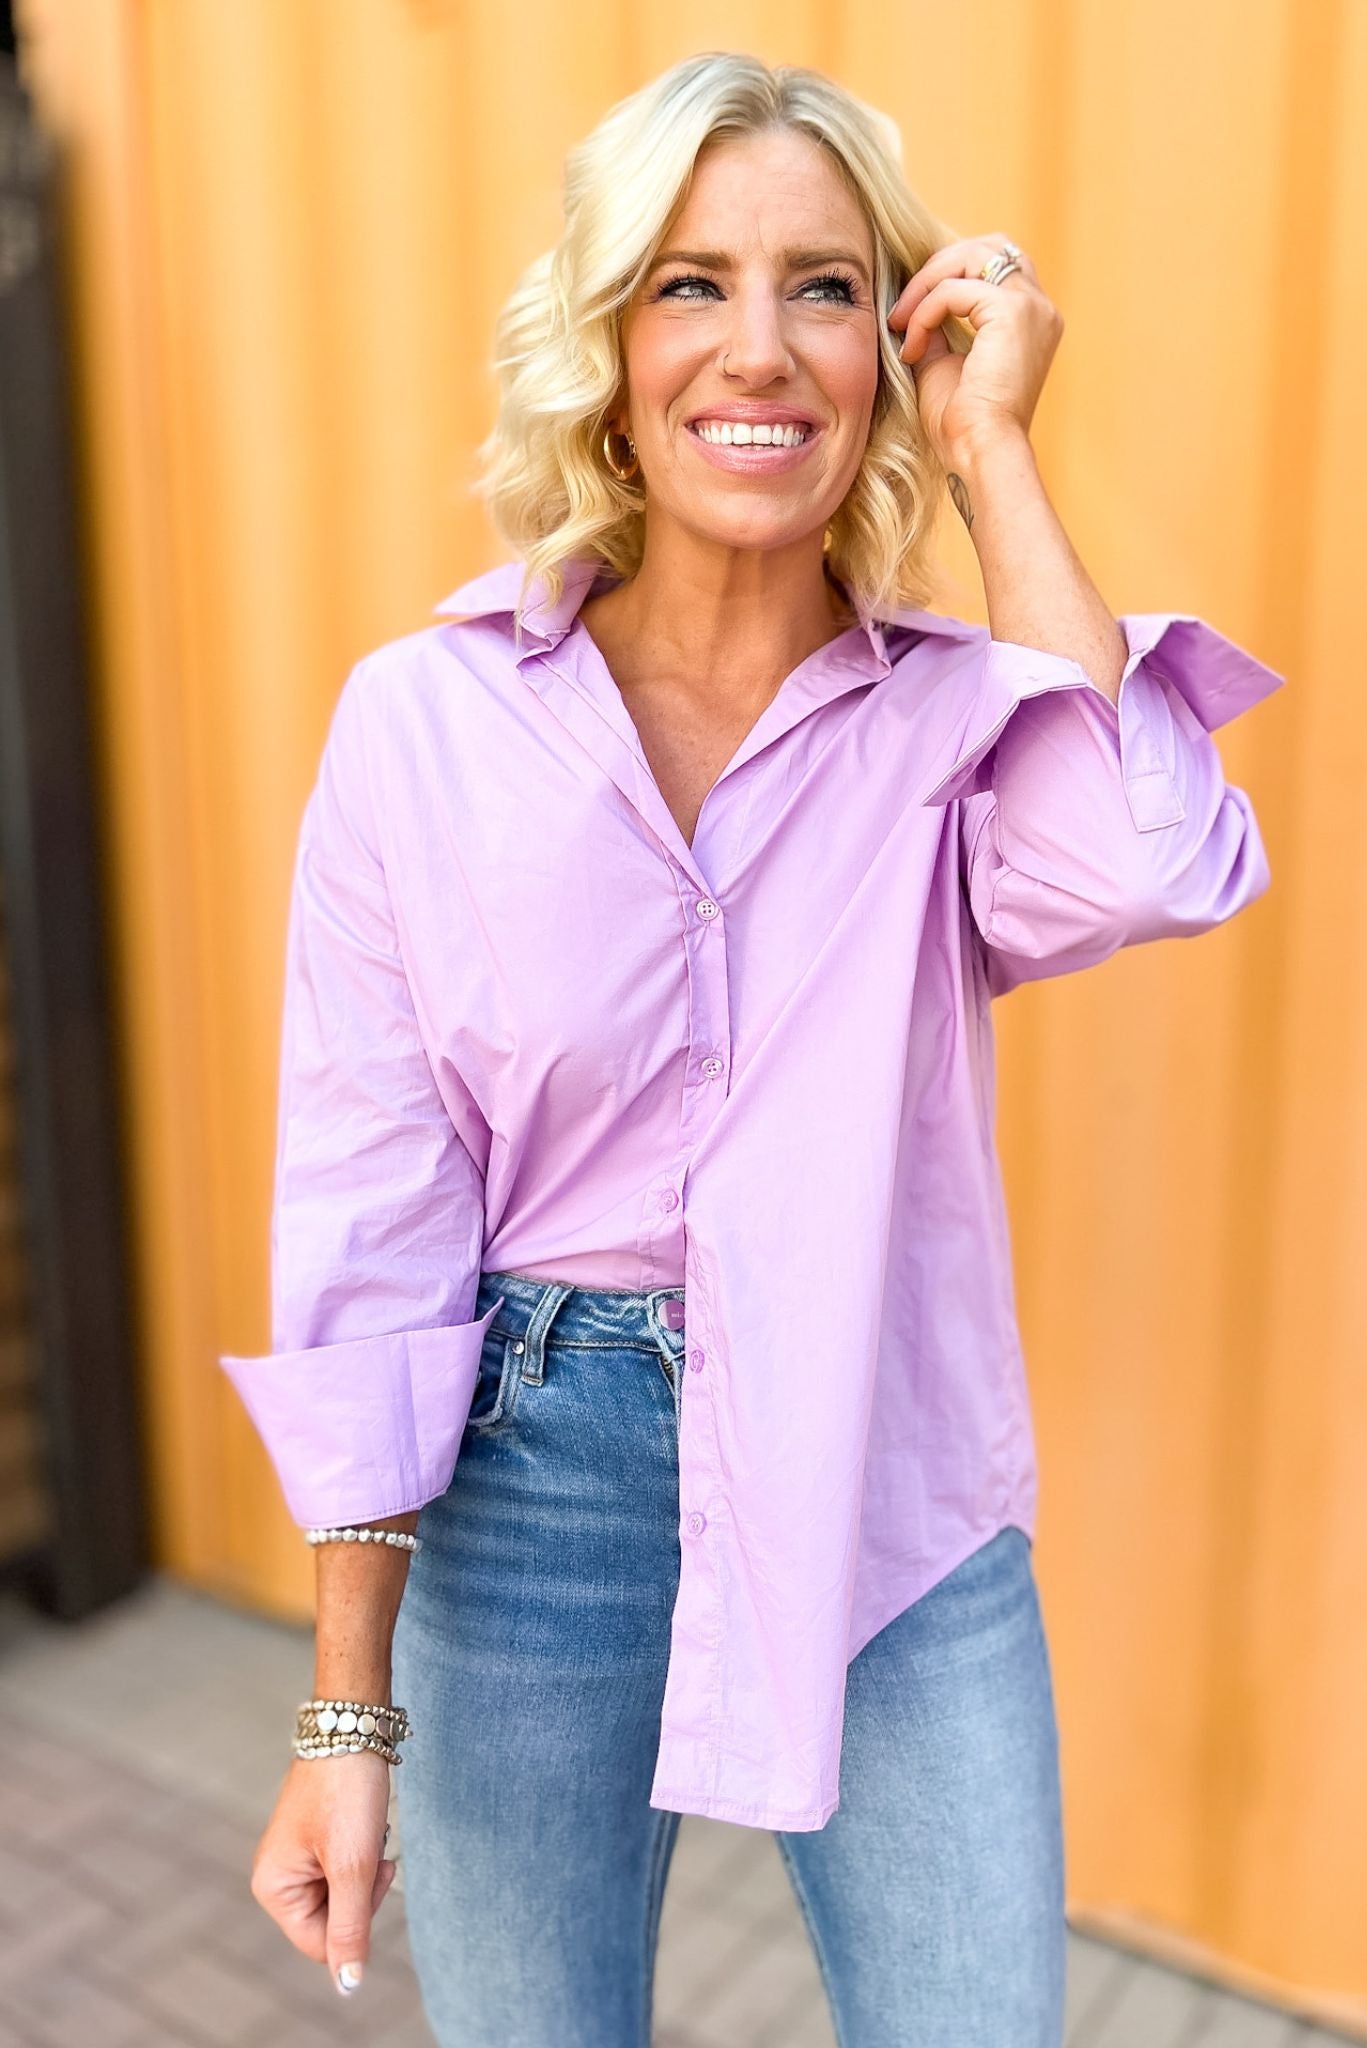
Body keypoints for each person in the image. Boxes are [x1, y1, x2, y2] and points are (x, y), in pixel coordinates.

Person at [220, 50, 1283, 2048]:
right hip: (528, 1483)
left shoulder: (960, 718)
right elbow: (369, 1227)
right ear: (612, 338)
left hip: (892, 1475)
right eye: (693, 282)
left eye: (823, 286)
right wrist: (342, 1712)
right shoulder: (422, 728)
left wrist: (995, 453)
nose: (759, 347)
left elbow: (1149, 855)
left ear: (893, 341)